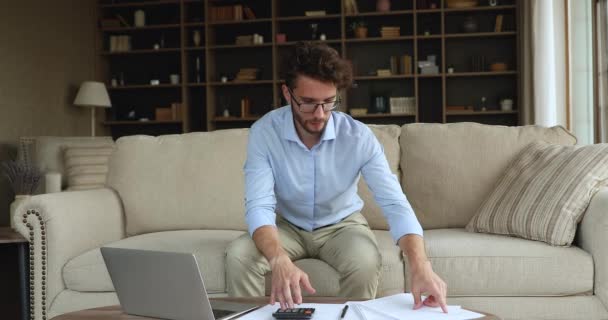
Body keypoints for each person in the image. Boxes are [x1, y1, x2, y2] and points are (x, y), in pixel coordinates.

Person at [226, 41, 447, 313]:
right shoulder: (264, 132)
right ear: (287, 93)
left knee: (365, 261)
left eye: (328, 102)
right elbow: (259, 205)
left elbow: (394, 204)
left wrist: (420, 265)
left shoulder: (358, 137)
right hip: (286, 225)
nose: (319, 114)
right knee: (239, 256)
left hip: (342, 225)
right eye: (307, 103)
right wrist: (278, 259)